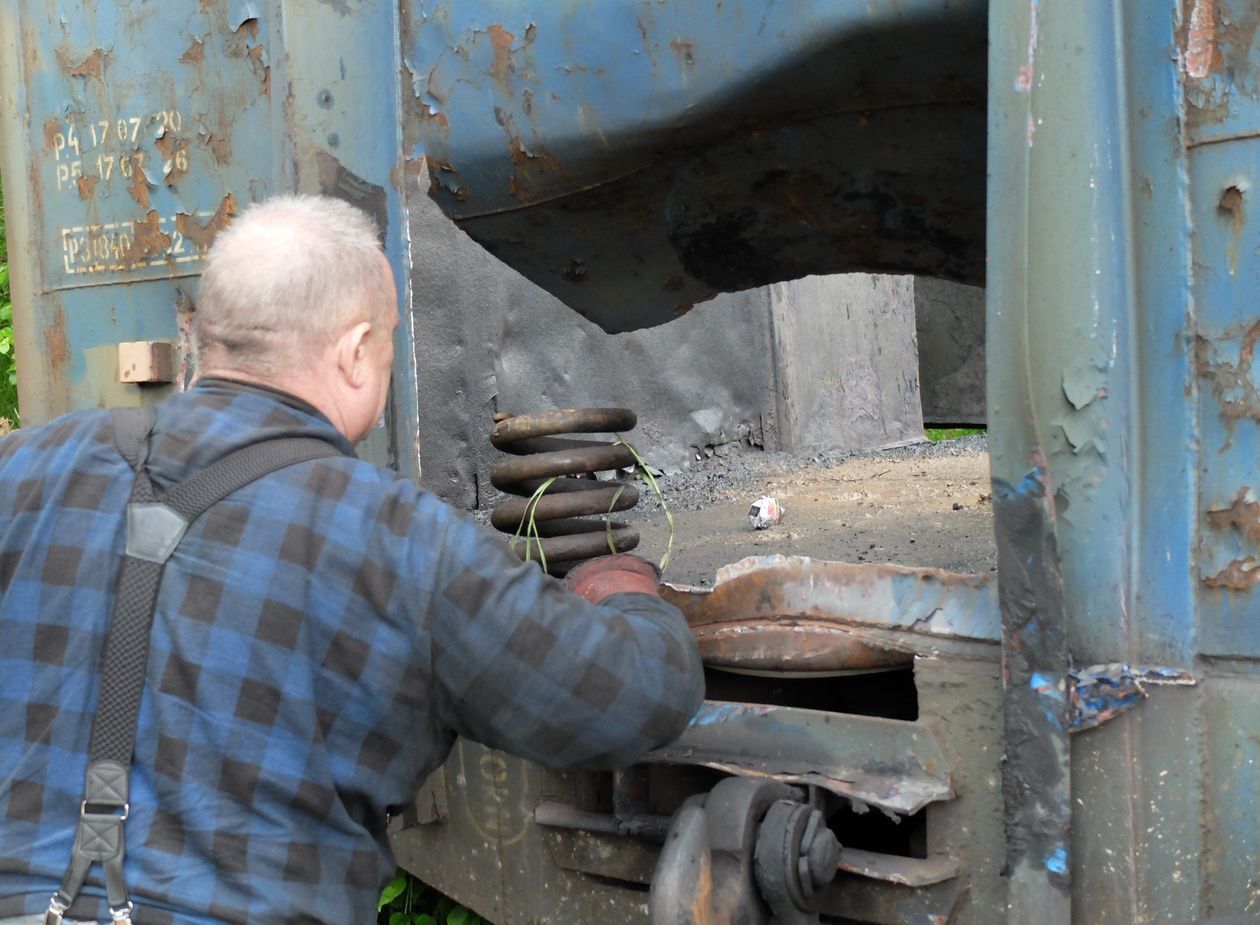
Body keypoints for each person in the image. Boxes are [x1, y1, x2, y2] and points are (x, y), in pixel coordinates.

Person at [0, 195, 705, 925]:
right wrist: (625, 593)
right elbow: (629, 699)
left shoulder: (23, 470)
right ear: (356, 349)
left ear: (209, 337)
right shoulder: (393, 535)